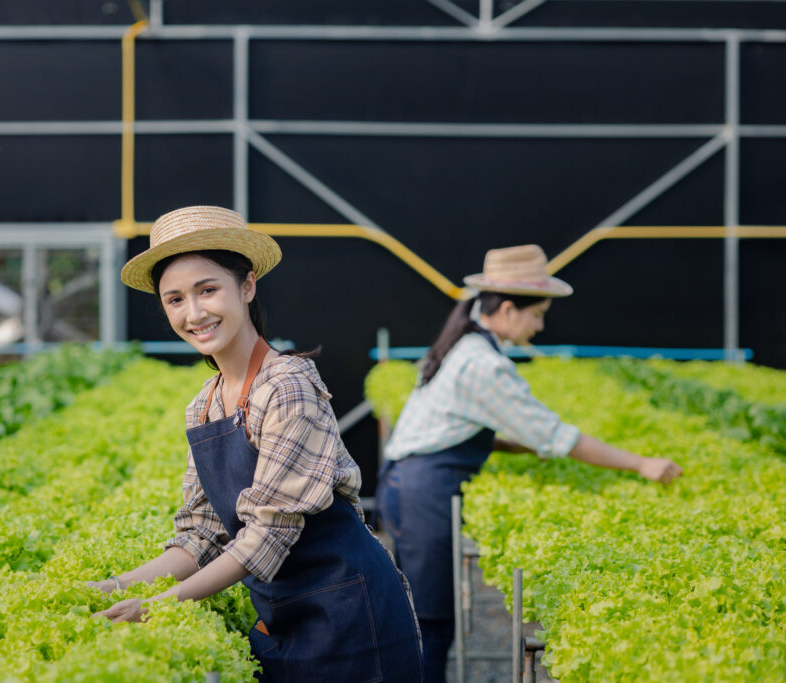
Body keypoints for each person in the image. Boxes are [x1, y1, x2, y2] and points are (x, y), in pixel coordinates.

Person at [90, 206, 424, 682]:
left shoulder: (286, 386)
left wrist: (157, 605)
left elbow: (268, 536)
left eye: (208, 290)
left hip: (351, 607)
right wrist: (113, 586)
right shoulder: (203, 406)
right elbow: (202, 535)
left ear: (246, 287)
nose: (194, 313)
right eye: (175, 299)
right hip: (287, 611)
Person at [375, 244, 683, 683]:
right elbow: (559, 437)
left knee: (420, 617)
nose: (539, 326)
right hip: (422, 492)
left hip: (408, 483)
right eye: (537, 314)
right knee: (432, 622)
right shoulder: (484, 363)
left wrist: (507, 445)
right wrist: (641, 464)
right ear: (506, 308)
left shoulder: (463, 344)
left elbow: (450, 424)